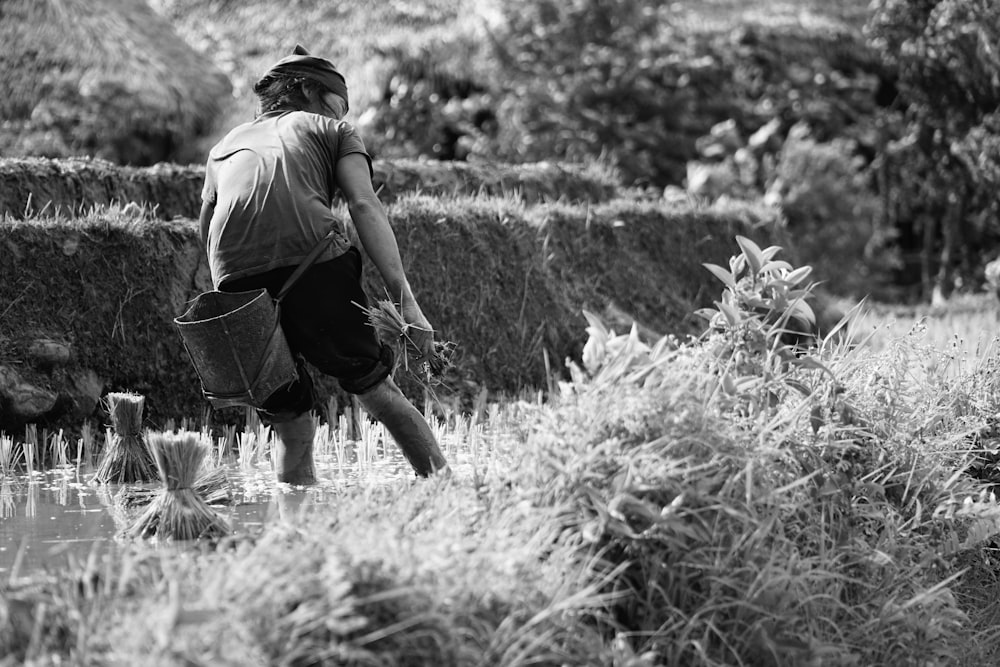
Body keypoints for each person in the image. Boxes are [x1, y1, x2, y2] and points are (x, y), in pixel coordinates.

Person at [197, 45, 448, 484]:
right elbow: (364, 205)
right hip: (312, 262)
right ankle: (448, 492)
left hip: (233, 283)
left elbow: (207, 231)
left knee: (291, 424)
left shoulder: (223, 147)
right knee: (378, 392)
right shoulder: (333, 130)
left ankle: (296, 526)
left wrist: (228, 291)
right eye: (340, 102)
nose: (344, 110)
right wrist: (406, 304)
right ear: (308, 90)